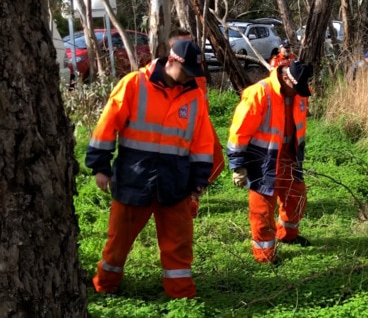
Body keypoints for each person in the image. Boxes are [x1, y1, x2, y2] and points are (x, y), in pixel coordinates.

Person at [85, 40, 215, 298]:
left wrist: (200, 177)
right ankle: (105, 285)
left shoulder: (195, 96)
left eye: (193, 73)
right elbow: (106, 126)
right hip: (134, 178)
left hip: (175, 182)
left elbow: (202, 140)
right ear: (172, 61)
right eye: (186, 71)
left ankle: (181, 295)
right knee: (118, 242)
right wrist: (100, 166)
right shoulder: (134, 84)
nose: (189, 77)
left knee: (179, 244)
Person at [227, 60, 314, 264]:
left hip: (290, 156)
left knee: (296, 198)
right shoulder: (259, 93)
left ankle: (288, 235)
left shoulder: (299, 91)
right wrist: (238, 165)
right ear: (285, 78)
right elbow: (239, 132)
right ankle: (264, 256)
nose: (298, 93)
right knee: (262, 209)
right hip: (262, 160)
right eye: (296, 89)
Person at [165, 28, 225, 217]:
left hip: (201, 122)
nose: (190, 46)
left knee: (216, 160)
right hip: (180, 127)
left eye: (192, 42)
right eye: (184, 42)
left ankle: (194, 192)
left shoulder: (196, 69)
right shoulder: (171, 70)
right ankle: (189, 202)